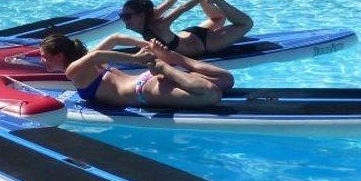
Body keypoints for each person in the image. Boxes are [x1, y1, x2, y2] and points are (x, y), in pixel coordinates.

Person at [39, 34, 230, 109]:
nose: (42, 60)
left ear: (60, 56)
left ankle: (164, 65)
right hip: (146, 80)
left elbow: (96, 55)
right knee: (225, 79)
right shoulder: (85, 64)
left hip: (142, 92)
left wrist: (137, 58)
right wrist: (146, 45)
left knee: (211, 95)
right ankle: (172, 58)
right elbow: (115, 38)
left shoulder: (73, 70)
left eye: (45, 56)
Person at [107, 0, 253, 58]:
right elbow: (168, 3)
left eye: (126, 16)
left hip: (204, 44)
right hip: (190, 35)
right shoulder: (151, 18)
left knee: (246, 23)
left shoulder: (158, 25)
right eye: (122, 15)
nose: (123, 19)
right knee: (218, 19)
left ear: (140, 16)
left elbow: (181, 8)